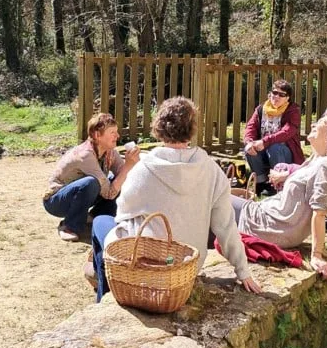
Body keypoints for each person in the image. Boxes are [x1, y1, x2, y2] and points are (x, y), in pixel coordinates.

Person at [89, 97, 262, 300]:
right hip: (188, 265)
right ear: (192, 129)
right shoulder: (212, 170)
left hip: (149, 261)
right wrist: (243, 271)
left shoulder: (143, 169)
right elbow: (226, 226)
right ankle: (103, 284)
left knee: (100, 222)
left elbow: (123, 214)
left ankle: (106, 295)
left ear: (159, 127)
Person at [234, 102, 327, 278]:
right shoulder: (319, 159)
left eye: (321, 122)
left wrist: (316, 255)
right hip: (265, 218)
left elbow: (320, 213)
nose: (313, 124)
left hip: (265, 224)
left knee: (211, 199)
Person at [43, 113, 140, 241]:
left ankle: (95, 216)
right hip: (57, 201)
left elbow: (123, 176)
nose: (117, 136)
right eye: (112, 132)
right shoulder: (85, 155)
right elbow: (109, 193)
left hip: (83, 195)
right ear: (97, 135)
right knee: (91, 183)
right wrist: (128, 166)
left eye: (116, 132)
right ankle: (69, 226)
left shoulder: (109, 151)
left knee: (121, 180)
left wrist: (133, 164)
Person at [243, 79, 305, 194]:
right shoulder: (261, 109)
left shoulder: (293, 111)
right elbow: (250, 127)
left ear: (287, 98)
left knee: (275, 147)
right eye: (275, 92)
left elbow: (287, 132)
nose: (276, 96)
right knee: (249, 148)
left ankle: (278, 184)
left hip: (284, 153)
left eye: (282, 95)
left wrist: (265, 141)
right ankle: (261, 184)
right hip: (263, 149)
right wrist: (249, 141)